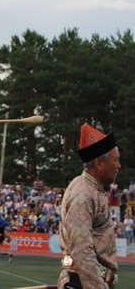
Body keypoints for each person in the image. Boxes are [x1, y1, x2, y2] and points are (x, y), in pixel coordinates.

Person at [58, 124, 120, 289]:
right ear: (99, 163)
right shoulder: (82, 194)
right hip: (84, 283)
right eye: (116, 160)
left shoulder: (90, 189)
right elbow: (82, 250)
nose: (119, 166)